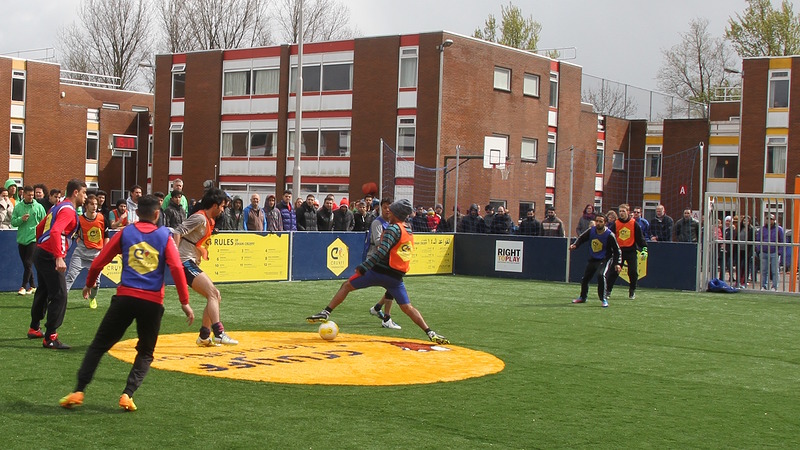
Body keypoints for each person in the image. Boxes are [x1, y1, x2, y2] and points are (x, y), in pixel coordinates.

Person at [59, 195, 194, 412]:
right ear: (157, 214)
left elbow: (99, 260)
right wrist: (184, 302)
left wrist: (89, 284)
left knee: (98, 346)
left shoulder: (126, 233)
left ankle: (79, 390)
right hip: (151, 302)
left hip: (125, 299)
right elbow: (177, 269)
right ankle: (127, 394)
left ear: (136, 213)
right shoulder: (163, 236)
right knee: (146, 352)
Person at [307, 199, 449, 344]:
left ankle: (326, 312)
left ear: (396, 213)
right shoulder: (408, 229)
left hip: (377, 272)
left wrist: (365, 266)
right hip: (395, 278)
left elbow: (381, 251)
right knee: (407, 307)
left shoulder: (393, 229)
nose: (388, 212)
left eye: (391, 210)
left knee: (347, 285)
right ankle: (430, 332)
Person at [174, 188, 238, 346]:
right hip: (184, 261)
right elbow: (177, 231)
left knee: (215, 295)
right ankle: (219, 332)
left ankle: (204, 336)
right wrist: (175, 256)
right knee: (212, 293)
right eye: (222, 206)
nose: (223, 210)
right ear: (215, 205)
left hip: (190, 261)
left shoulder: (209, 221)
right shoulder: (200, 218)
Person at [29, 178, 87, 349]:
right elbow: (55, 231)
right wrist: (58, 256)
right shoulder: (69, 210)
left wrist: (41, 245)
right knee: (60, 294)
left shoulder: (57, 207)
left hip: (41, 252)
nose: (85, 197)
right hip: (49, 255)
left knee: (44, 290)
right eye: (84, 193)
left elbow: (40, 228)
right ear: (75, 193)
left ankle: (34, 328)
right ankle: (50, 337)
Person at [65, 194, 108, 309]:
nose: (94, 206)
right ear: (86, 206)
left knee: (96, 283)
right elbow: (73, 235)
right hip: (80, 253)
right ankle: (60, 300)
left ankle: (92, 298)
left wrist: (104, 252)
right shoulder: (79, 219)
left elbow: (106, 235)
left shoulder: (102, 218)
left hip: (96, 255)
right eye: (92, 204)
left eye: (96, 204)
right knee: (70, 277)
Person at [570, 214, 621, 307]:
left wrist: (617, 263)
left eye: (601, 221)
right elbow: (582, 238)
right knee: (585, 278)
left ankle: (603, 299)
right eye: (597, 221)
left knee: (601, 275)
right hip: (593, 258)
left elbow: (617, 250)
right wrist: (575, 245)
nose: (598, 223)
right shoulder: (591, 231)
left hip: (605, 259)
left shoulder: (609, 235)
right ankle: (582, 297)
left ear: (605, 223)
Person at [364, 198, 400, 329]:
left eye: (390, 207)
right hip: (376, 258)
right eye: (385, 207)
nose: (388, 210)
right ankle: (386, 318)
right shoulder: (377, 223)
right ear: (380, 208)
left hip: (387, 259)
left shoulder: (392, 223)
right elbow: (379, 241)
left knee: (392, 285)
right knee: (392, 285)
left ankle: (378, 309)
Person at [606, 204, 648, 300]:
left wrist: (644, 248)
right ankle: (608, 291)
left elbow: (640, 238)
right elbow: (609, 237)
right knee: (613, 272)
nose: (621, 213)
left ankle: (632, 290)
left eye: (623, 211)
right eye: (620, 211)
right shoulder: (615, 224)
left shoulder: (634, 224)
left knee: (633, 272)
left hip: (631, 251)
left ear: (628, 212)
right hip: (619, 252)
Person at [11, 186, 46, 296]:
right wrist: (21, 219)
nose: (31, 197)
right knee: (27, 265)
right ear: (24, 195)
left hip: (33, 239)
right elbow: (13, 222)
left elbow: (44, 222)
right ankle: (33, 285)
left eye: (32, 195)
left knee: (28, 262)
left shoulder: (38, 207)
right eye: (29, 195)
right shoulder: (18, 207)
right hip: (22, 239)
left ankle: (23, 286)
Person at [758, 213, 785, 291]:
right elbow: (758, 239)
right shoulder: (762, 229)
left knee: (775, 270)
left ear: (774, 220)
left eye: (771, 219)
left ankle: (774, 286)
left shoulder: (779, 229)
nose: (769, 220)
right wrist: (759, 250)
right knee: (763, 270)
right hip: (764, 251)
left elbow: (782, 241)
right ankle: (763, 285)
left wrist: (779, 252)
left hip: (774, 252)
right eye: (767, 218)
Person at [736, 215, 755, 289]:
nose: (745, 222)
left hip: (747, 250)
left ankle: (744, 281)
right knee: (739, 266)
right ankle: (738, 281)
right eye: (744, 221)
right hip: (739, 250)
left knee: (745, 266)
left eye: (747, 221)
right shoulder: (740, 229)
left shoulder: (751, 229)